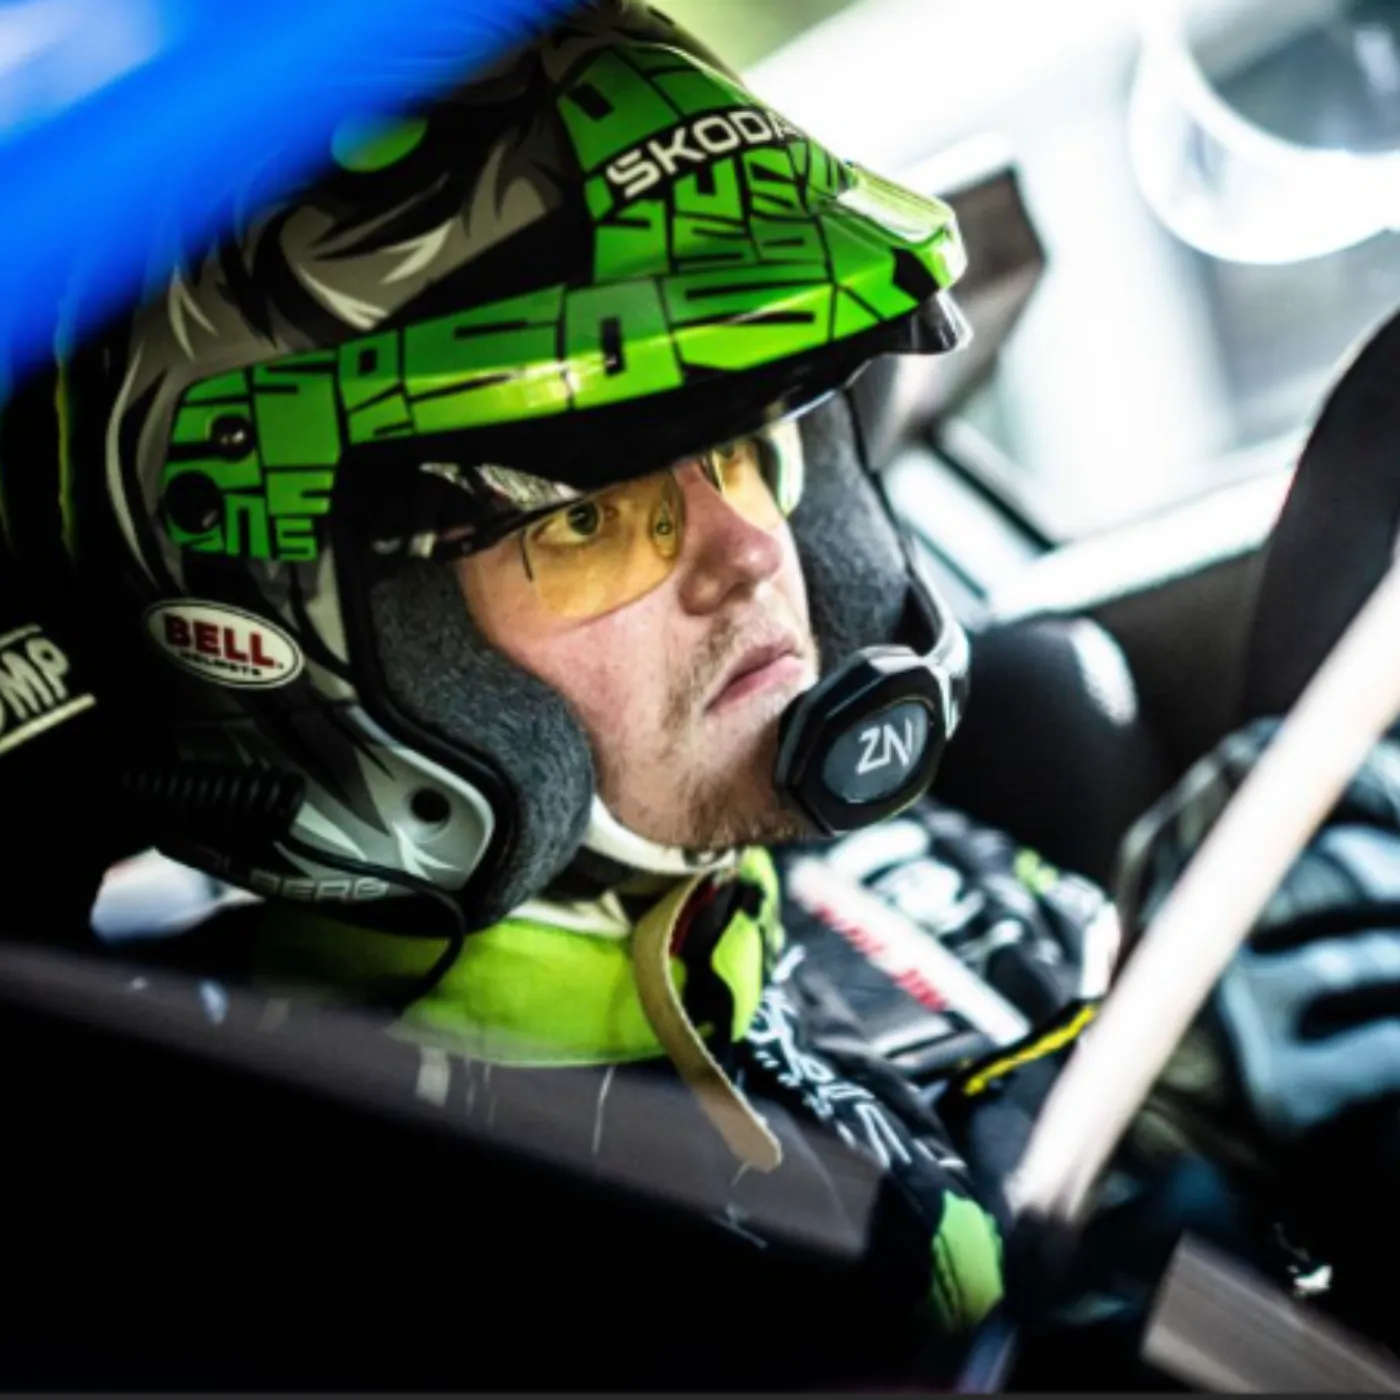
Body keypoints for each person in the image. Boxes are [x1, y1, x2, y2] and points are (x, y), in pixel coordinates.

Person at [16, 0, 1400, 1386]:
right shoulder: (280, 1233)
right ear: (315, 630)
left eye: (745, 450)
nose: (754, 553)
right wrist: (1163, 1218)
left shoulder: (888, 885)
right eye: (587, 520)